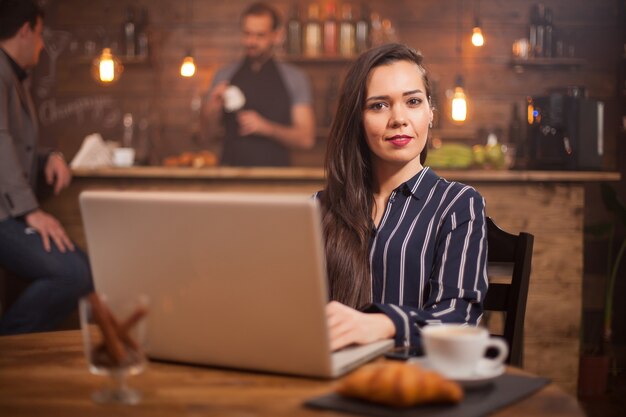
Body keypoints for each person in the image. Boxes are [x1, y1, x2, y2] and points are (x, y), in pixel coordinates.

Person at [319, 43, 488, 351]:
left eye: (412, 101)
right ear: (357, 120)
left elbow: (459, 320)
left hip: (415, 380)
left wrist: (383, 325)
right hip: (330, 374)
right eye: (378, 105)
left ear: (431, 114)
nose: (398, 118)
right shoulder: (322, 207)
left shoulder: (458, 204)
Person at [0, 0, 93, 334]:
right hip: (5, 214)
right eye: (40, 35)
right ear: (25, 30)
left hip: (10, 212)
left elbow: (14, 145)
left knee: (81, 270)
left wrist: (48, 155)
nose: (42, 45)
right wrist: (31, 211)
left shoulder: (14, 76)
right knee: (73, 273)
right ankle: (9, 347)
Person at [202, 2, 315, 166]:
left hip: (276, 179)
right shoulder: (224, 75)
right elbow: (205, 137)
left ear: (276, 35)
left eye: (260, 35)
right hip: (228, 177)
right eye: (247, 34)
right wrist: (212, 108)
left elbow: (306, 139)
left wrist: (267, 128)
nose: (251, 41)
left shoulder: (295, 78)